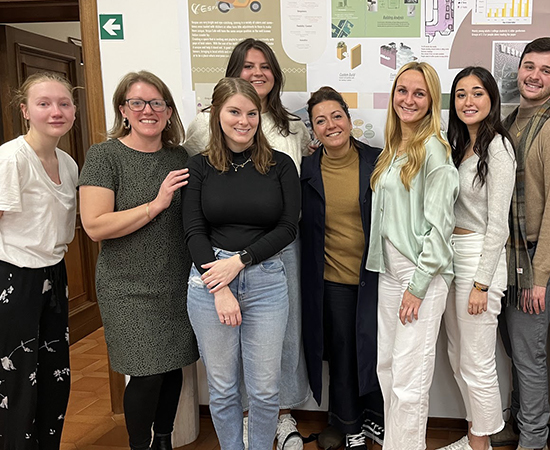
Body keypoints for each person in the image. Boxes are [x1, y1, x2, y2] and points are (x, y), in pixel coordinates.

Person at [183, 39, 311, 450]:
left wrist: (239, 261)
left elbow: (288, 226)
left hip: (266, 277)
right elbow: (193, 230)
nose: (243, 121)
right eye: (234, 112)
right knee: (222, 389)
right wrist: (218, 286)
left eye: (251, 113)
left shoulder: (281, 164)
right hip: (209, 282)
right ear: (216, 115)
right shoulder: (200, 165)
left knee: (264, 389)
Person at [78, 71, 199, 450]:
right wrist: (156, 204)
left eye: (156, 103)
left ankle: (163, 440)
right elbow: (95, 226)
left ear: (168, 110)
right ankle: (139, 445)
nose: (148, 110)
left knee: (172, 366)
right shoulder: (104, 156)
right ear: (123, 110)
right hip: (127, 287)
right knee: (146, 374)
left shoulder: (180, 156)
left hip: (176, 281)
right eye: (138, 102)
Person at [365, 61, 459, 450]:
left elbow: (441, 229)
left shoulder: (434, 150)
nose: (409, 99)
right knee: (387, 370)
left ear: (431, 100)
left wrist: (418, 285)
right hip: (389, 270)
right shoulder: (393, 149)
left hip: (420, 273)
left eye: (419, 93)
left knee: (409, 378)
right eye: (402, 91)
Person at [493, 37, 550, 450]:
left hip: (535, 259)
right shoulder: (509, 123)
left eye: (547, 70)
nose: (535, 75)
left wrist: (540, 276)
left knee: (529, 355)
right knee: (515, 350)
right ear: (519, 69)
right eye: (530, 66)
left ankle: (533, 439)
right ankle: (517, 424)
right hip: (505, 256)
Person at [300, 86, 384, 450]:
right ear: (313, 130)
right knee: (344, 355)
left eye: (336, 116)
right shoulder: (305, 171)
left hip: (376, 278)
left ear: (349, 120)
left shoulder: (379, 161)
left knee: (379, 354)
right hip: (332, 281)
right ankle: (348, 425)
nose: (330, 125)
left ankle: (376, 421)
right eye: (320, 120)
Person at [0, 72, 78, 450]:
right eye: (44, 103)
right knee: (15, 383)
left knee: (54, 376)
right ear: (25, 111)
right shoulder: (11, 158)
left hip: (53, 276)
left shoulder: (68, 162)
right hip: (13, 278)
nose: (55, 111)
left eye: (63, 103)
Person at [438, 66, 515, 450]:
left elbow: (498, 224)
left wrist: (482, 283)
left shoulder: (497, 147)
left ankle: (481, 442)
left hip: (478, 260)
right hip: (451, 258)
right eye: (462, 94)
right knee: (457, 353)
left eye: (478, 93)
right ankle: (474, 438)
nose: (469, 101)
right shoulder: (458, 145)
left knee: (478, 361)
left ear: (491, 99)